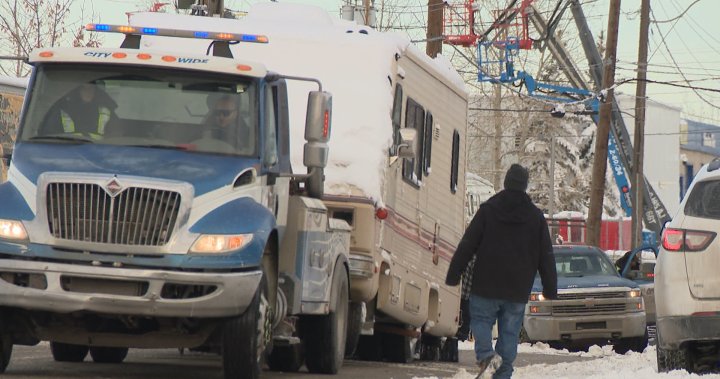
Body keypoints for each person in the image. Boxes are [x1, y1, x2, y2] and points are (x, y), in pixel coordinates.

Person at [446, 164, 558, 379]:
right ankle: (502, 374)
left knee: (480, 321)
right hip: (517, 288)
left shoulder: (489, 210)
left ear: (506, 182)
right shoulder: (535, 217)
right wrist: (550, 287)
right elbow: (546, 255)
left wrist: (454, 273)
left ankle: (487, 356)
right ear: (524, 185)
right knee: (509, 332)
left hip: (486, 283)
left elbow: (468, 244)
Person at [42, 83, 117, 139]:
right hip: (66, 153)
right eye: (85, 90)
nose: (88, 93)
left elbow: (116, 138)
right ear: (77, 92)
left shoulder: (107, 112)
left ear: (96, 91)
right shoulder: (60, 111)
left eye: (91, 89)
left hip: (100, 153)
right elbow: (48, 138)